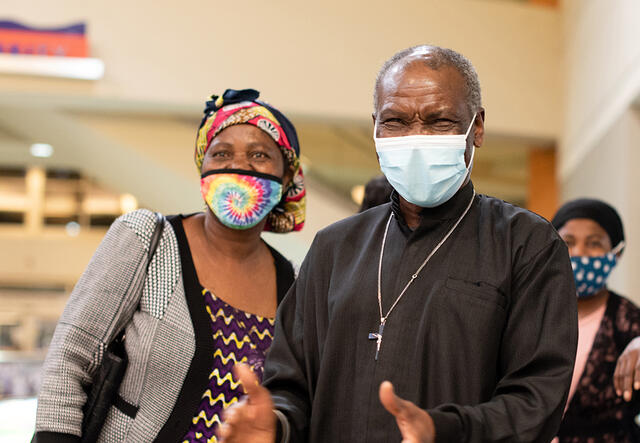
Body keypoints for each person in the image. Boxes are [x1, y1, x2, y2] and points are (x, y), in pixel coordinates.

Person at [220, 45, 577, 443]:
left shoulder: (526, 245)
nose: (416, 138)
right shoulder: (334, 248)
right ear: (375, 127)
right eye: (396, 122)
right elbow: (292, 383)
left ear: (476, 127)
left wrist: (444, 430)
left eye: (439, 121)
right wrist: (276, 426)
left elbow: (537, 400)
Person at [33, 88, 306, 442]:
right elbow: (70, 361)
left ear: (286, 178)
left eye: (259, 154)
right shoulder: (150, 240)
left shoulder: (293, 285)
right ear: (202, 169)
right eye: (221, 153)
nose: (238, 165)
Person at [551, 198, 640, 442]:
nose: (579, 253)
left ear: (616, 253)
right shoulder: (529, 311)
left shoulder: (628, 320)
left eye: (594, 243)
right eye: (568, 242)